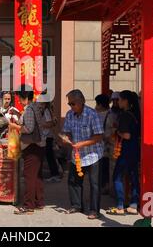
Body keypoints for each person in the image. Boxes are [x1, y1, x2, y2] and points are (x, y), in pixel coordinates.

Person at [60, 89, 104, 219]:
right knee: (73, 181)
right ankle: (76, 205)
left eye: (73, 103)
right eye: (69, 104)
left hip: (93, 154)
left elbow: (99, 136)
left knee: (94, 183)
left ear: (82, 102)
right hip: (77, 154)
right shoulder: (69, 114)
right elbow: (67, 131)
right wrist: (65, 138)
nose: (71, 106)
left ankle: (94, 210)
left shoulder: (92, 114)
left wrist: (82, 144)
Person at [9, 86, 46, 215]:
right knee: (37, 176)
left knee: (29, 176)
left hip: (32, 145)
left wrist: (15, 126)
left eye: (19, 97)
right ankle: (38, 202)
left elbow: (28, 128)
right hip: (38, 145)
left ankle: (28, 205)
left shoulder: (29, 109)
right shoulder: (35, 107)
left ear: (24, 97)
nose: (18, 100)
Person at [106, 90, 141, 216]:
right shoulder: (136, 114)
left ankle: (120, 205)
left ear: (126, 101)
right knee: (133, 176)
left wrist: (116, 132)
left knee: (117, 177)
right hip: (135, 149)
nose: (118, 102)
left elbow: (126, 135)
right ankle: (133, 204)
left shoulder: (125, 115)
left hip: (125, 149)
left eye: (120, 99)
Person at [103, 91, 121, 196]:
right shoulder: (110, 114)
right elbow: (107, 130)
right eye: (113, 101)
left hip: (122, 144)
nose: (115, 103)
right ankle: (112, 191)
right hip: (112, 145)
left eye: (117, 101)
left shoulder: (124, 113)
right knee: (112, 169)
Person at [95, 94, 111, 194]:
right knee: (104, 167)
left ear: (100, 105)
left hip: (104, 144)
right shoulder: (110, 113)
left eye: (97, 104)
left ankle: (104, 186)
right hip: (105, 144)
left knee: (103, 168)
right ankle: (105, 186)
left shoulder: (101, 115)